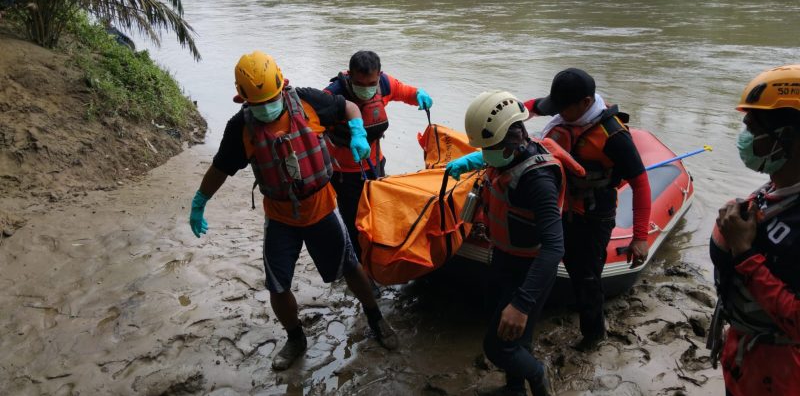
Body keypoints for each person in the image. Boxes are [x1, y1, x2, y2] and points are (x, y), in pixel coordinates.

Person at [188, 51, 398, 371]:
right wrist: (200, 201)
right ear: (241, 98)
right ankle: (295, 338)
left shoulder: (309, 102)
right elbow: (221, 167)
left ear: (282, 85)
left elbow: (349, 106)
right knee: (278, 284)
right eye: (257, 103)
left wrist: (357, 131)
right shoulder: (241, 129)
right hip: (281, 215)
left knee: (351, 267)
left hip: (323, 206)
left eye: (271, 99)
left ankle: (375, 318)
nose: (266, 108)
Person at [445, 90, 585, 396]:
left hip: (531, 267)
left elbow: (554, 247)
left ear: (510, 137)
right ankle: (514, 388)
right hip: (505, 256)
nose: (485, 153)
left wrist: (522, 303)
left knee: (497, 346)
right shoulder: (513, 150)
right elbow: (488, 159)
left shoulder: (538, 180)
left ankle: (537, 376)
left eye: (489, 147)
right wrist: (465, 164)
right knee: (516, 338)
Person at [524, 68, 651, 350]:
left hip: (593, 216)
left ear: (585, 103)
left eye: (563, 108)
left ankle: (593, 336)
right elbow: (532, 107)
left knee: (586, 277)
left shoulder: (614, 136)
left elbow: (641, 184)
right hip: (560, 206)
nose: (556, 112)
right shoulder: (563, 106)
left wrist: (639, 237)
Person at [708, 64, 800, 396]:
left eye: (751, 127)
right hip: (748, 361)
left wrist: (745, 254)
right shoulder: (779, 187)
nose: (744, 137)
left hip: (781, 376)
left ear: (786, 138)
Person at [323, 50, 433, 261]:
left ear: (379, 75)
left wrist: (419, 95)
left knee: (378, 212)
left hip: (375, 163)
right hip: (344, 173)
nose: (366, 90)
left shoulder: (383, 84)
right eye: (360, 84)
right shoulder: (332, 95)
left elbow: (404, 91)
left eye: (370, 84)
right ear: (349, 75)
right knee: (354, 221)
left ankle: (378, 256)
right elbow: (309, 123)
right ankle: (358, 263)